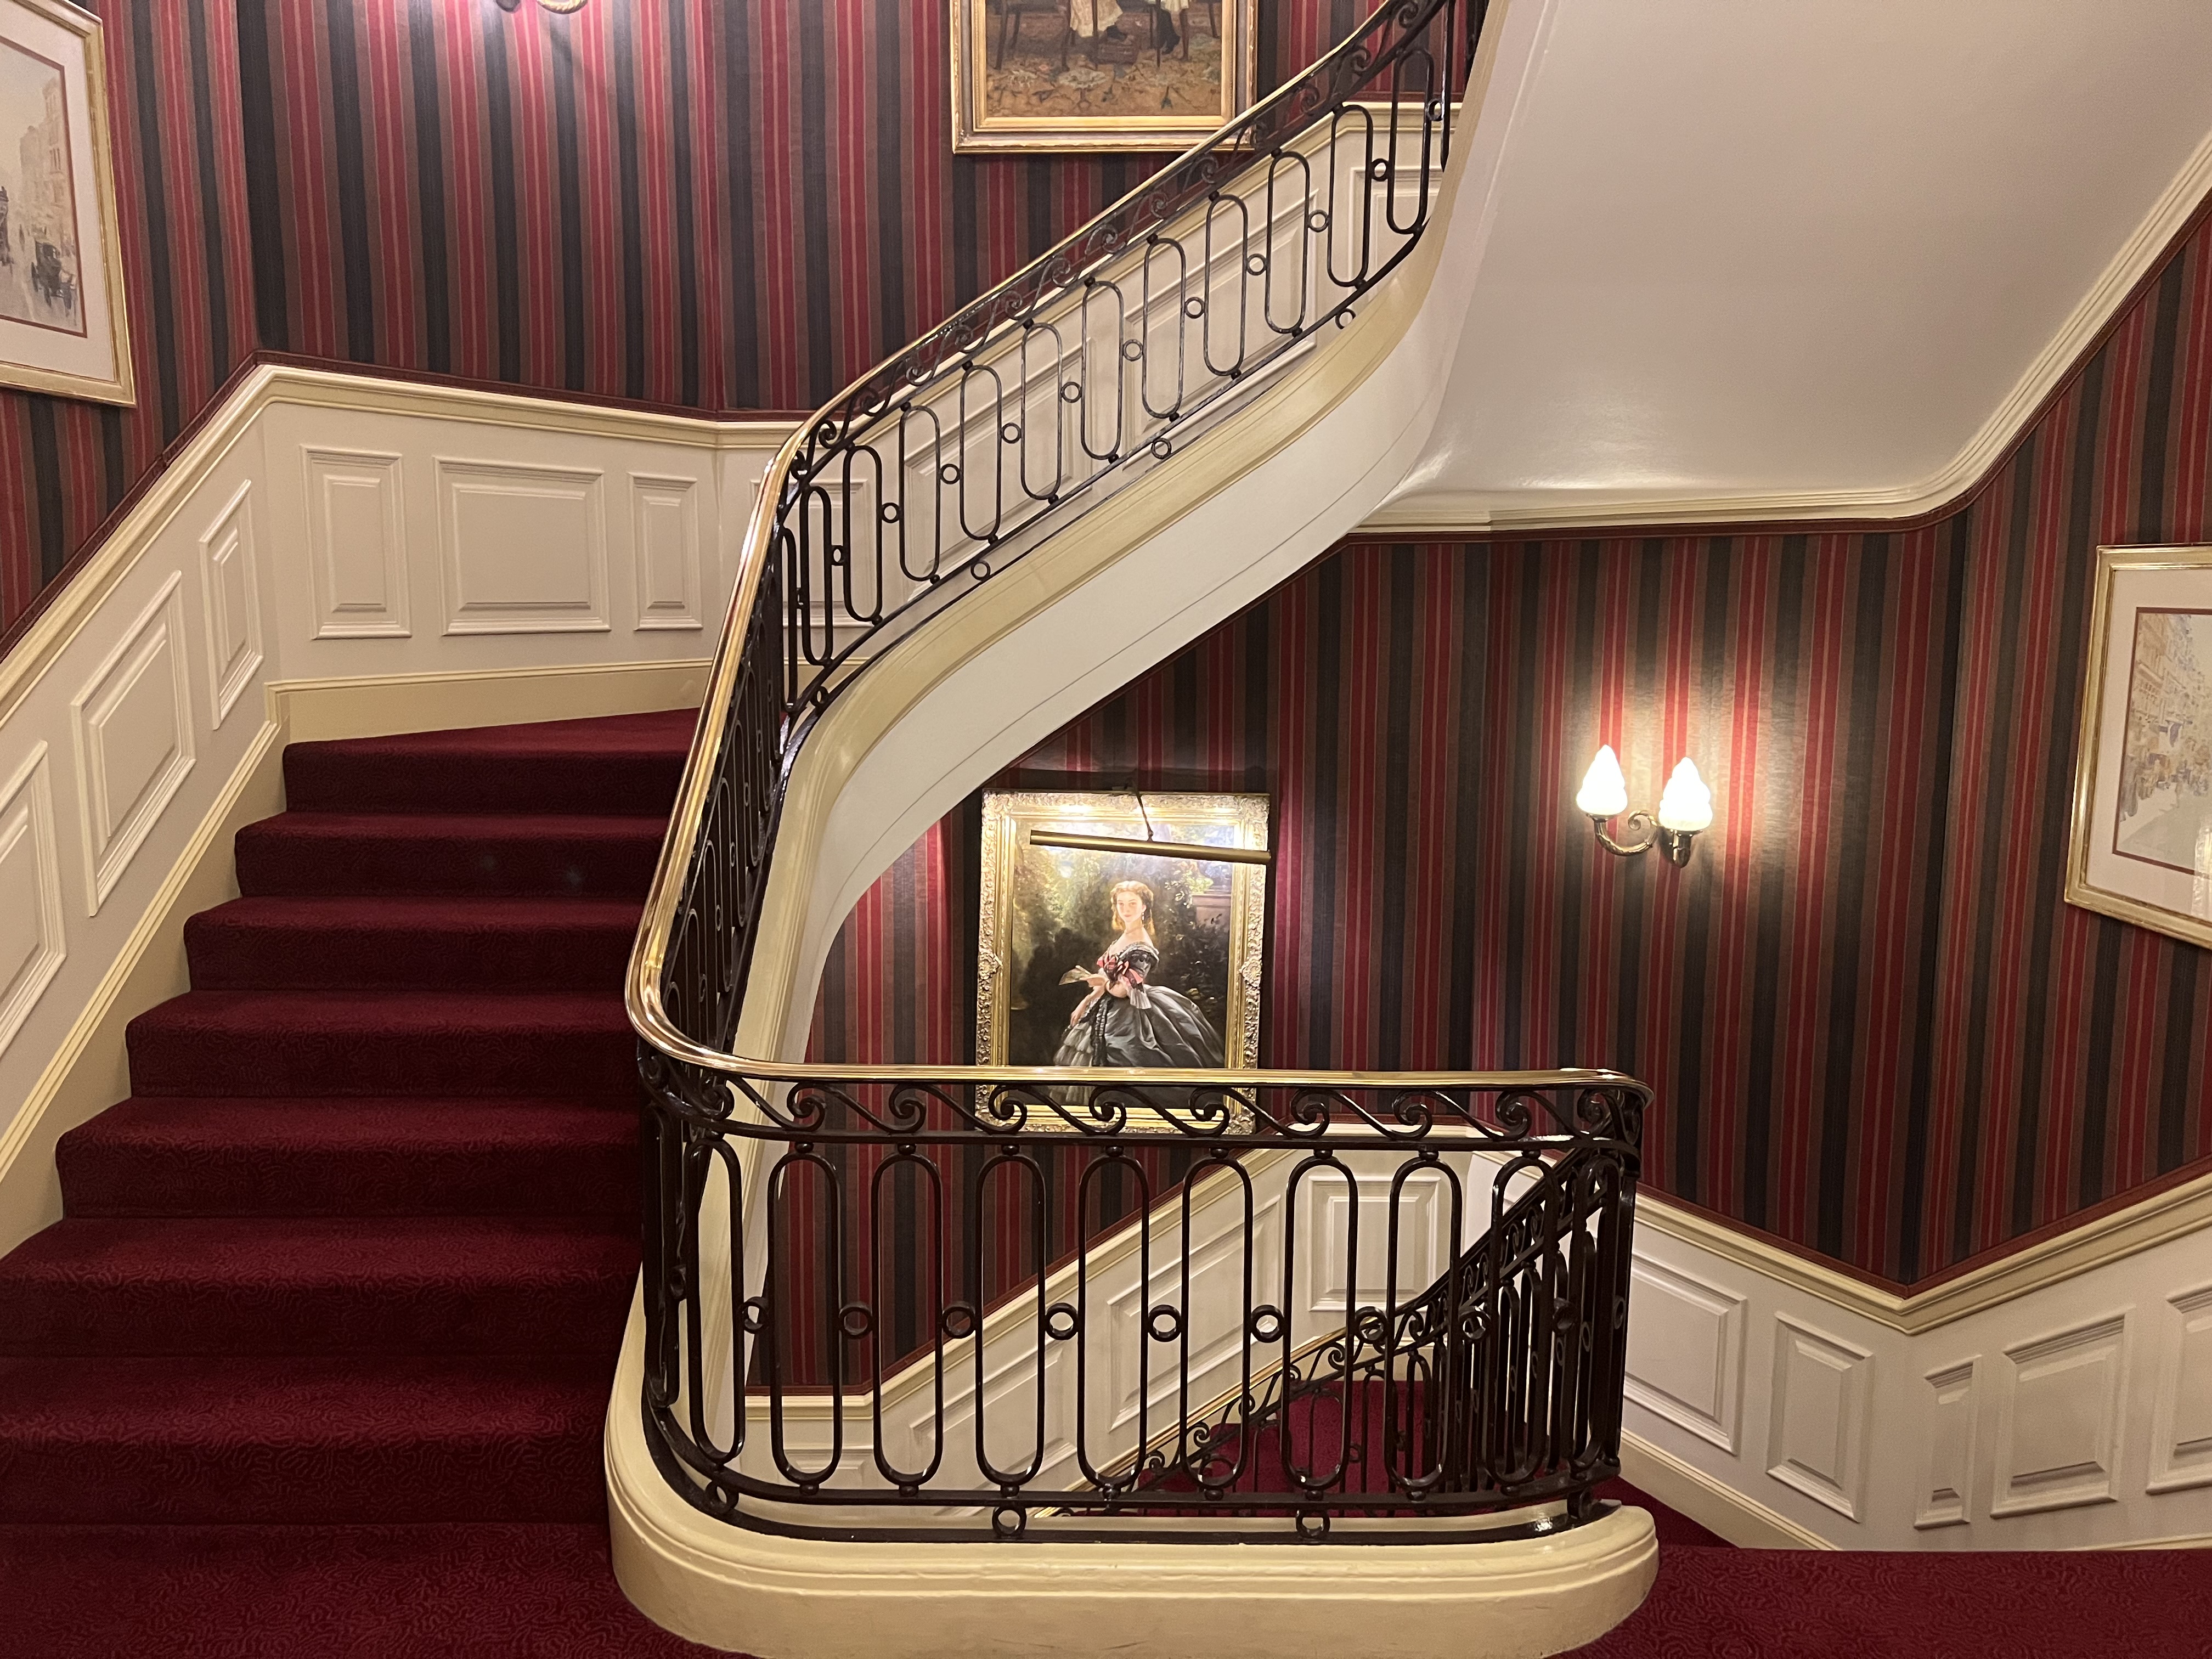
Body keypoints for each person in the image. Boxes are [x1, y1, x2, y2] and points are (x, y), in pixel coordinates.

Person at [1054, 878, 1223, 1073]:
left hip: (1129, 1014)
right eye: (1121, 904)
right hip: (1106, 1006)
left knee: (1127, 1057)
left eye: (1132, 904)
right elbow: (1109, 978)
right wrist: (1086, 1001)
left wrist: (1102, 982)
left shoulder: (1142, 945)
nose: (1126, 909)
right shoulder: (1124, 936)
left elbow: (1123, 991)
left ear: (1144, 907)